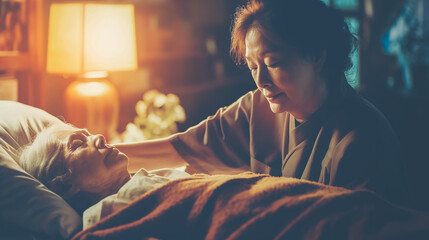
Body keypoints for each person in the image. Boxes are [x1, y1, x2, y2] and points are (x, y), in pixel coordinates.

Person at [115, 0, 410, 206]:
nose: (261, 81)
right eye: (253, 66)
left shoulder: (359, 141)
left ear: (318, 56)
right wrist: (103, 151)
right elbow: (182, 147)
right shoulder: (258, 107)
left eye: (274, 63)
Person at [18, 123, 189, 214]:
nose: (100, 137)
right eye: (78, 144)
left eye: (89, 135)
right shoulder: (104, 217)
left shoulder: (156, 178)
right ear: (65, 185)